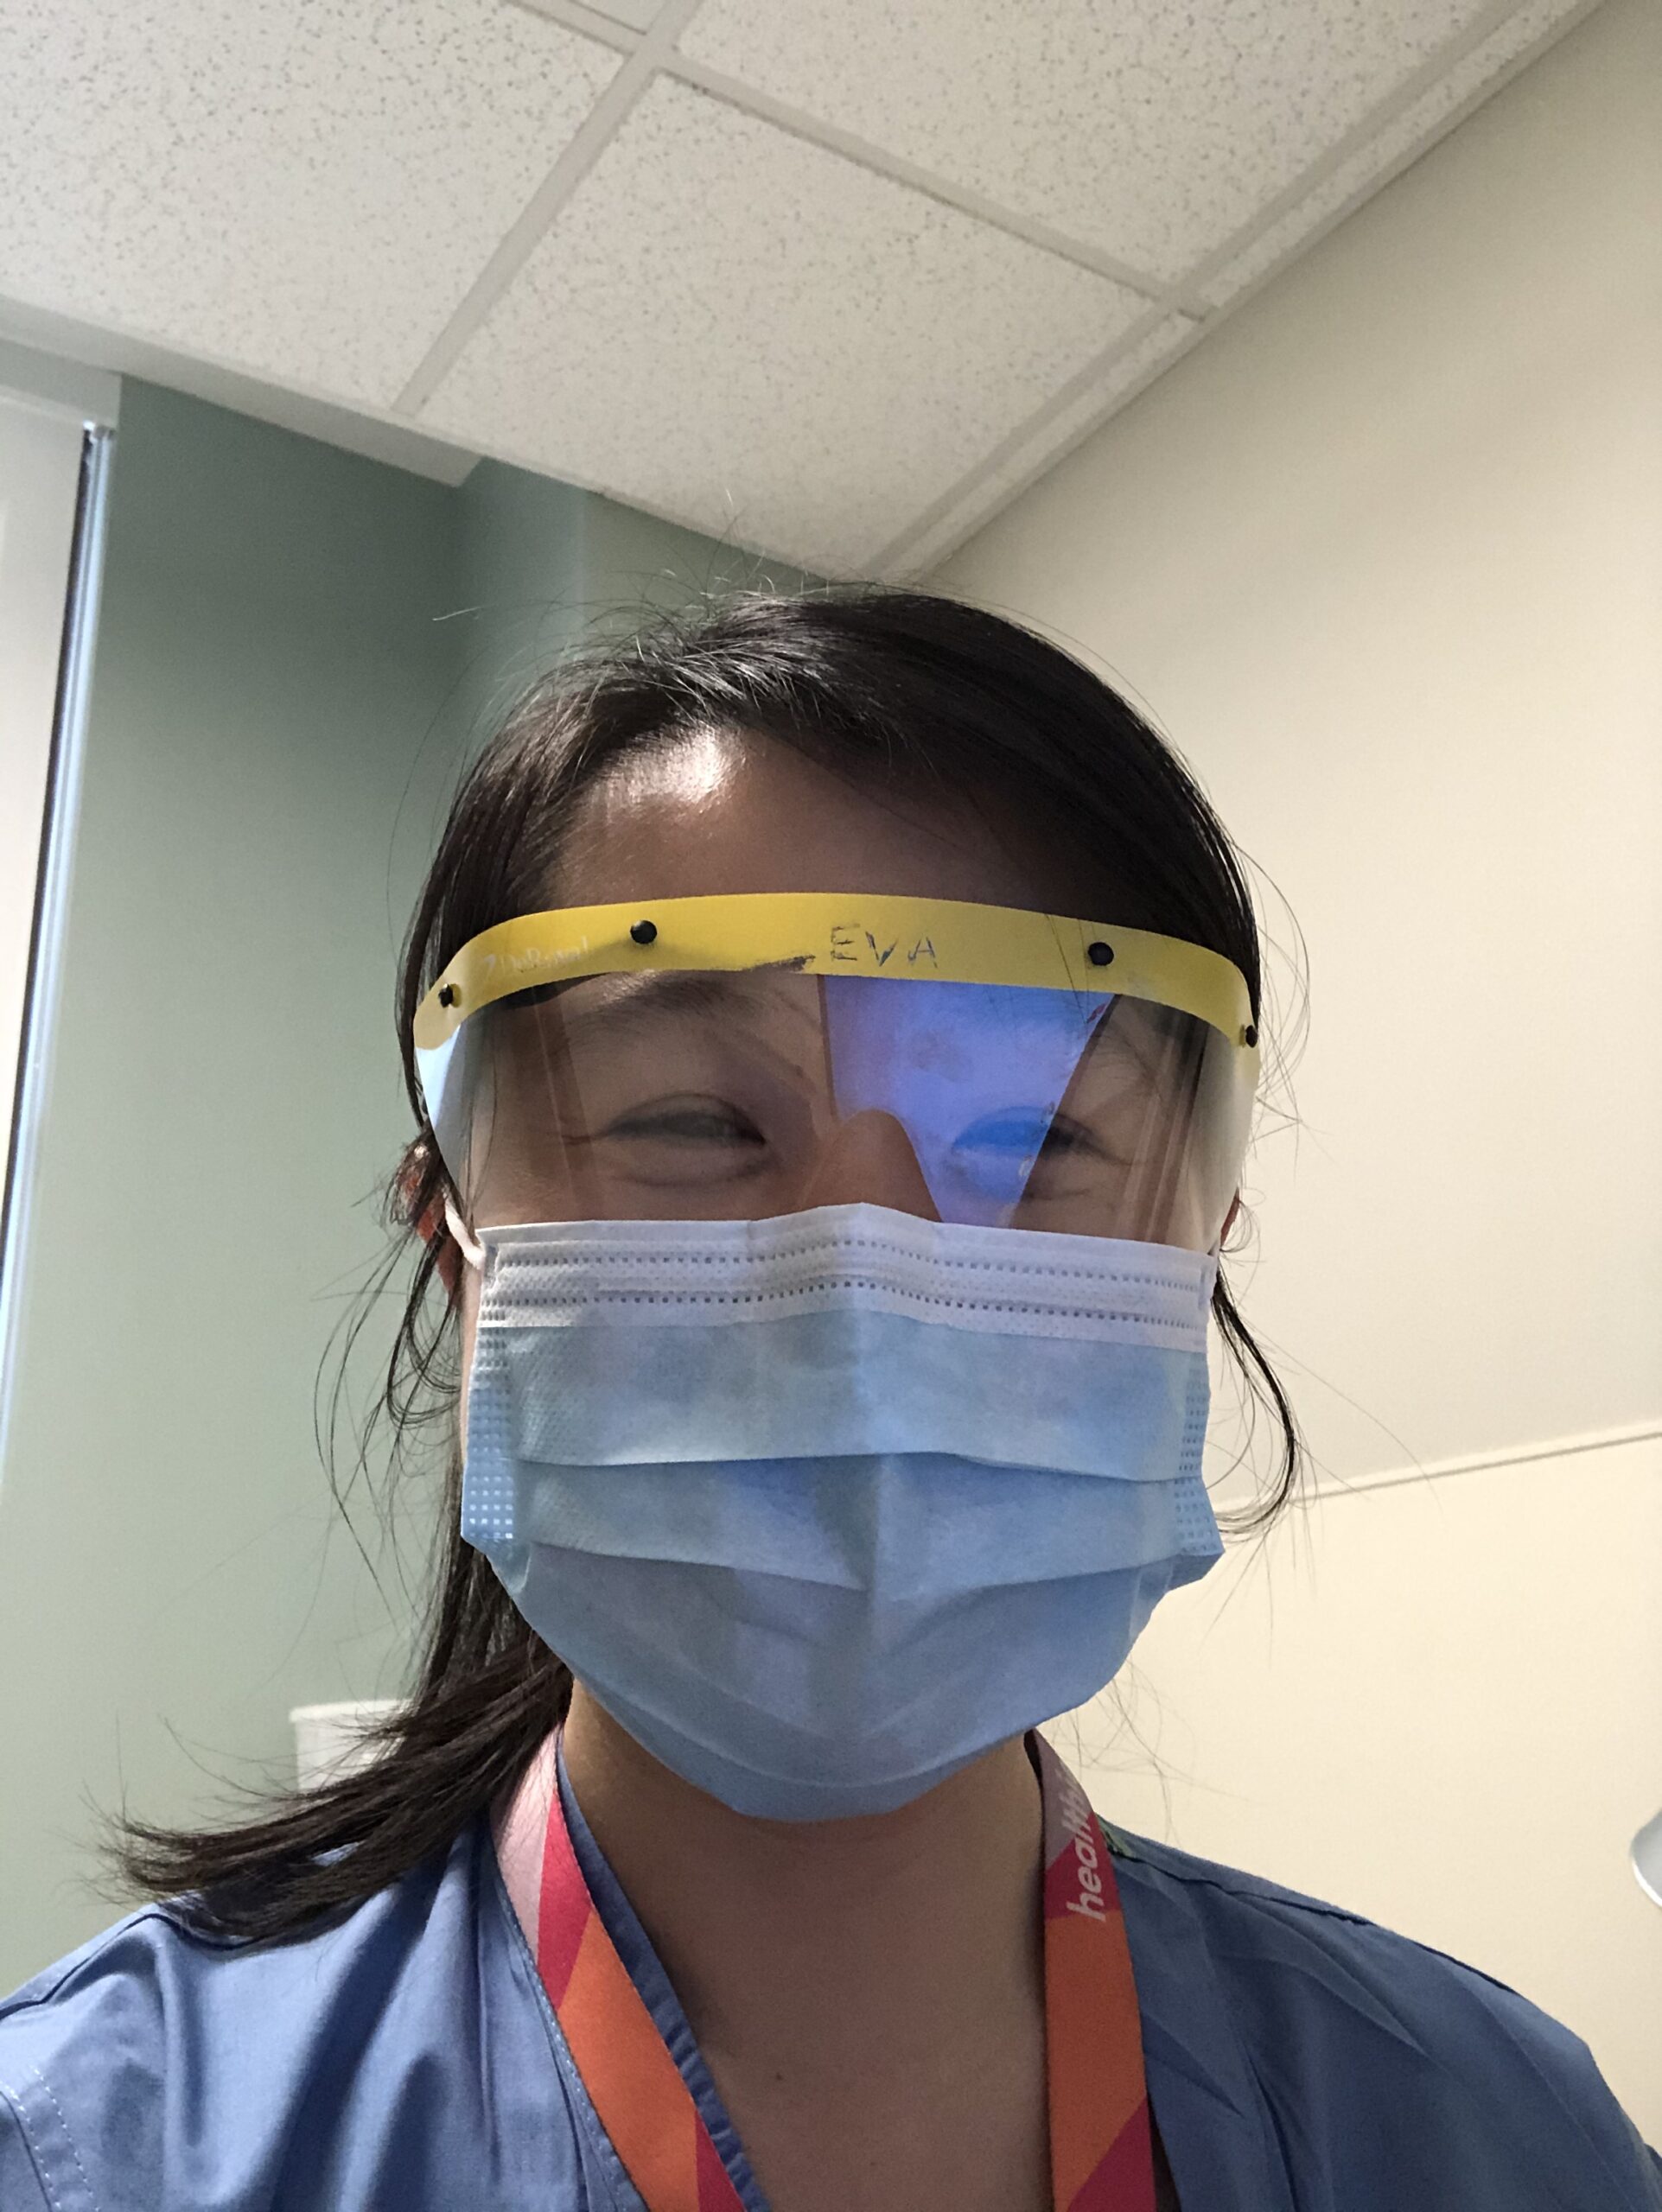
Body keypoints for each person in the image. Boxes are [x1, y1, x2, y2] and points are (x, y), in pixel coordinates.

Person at [0, 590, 1654, 2212]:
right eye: (695, 1123)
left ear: (1193, 1264)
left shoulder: (1494, 2129)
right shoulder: (96, 2149)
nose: (863, 1287)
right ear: (464, 1259)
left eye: (1030, 1147)